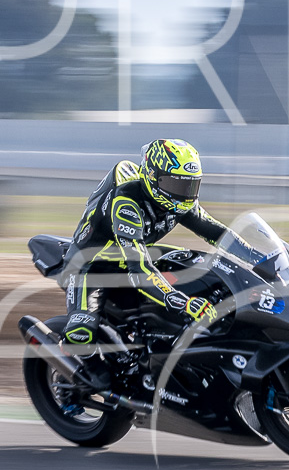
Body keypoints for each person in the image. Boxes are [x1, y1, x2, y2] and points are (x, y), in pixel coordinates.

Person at [59, 138, 228, 351]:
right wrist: (181, 302)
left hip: (135, 254)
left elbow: (221, 234)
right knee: (81, 334)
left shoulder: (180, 203)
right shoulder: (126, 203)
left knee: (200, 264)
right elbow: (140, 270)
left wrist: (261, 256)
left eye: (190, 185)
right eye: (175, 184)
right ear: (152, 176)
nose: (184, 194)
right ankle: (80, 361)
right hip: (92, 266)